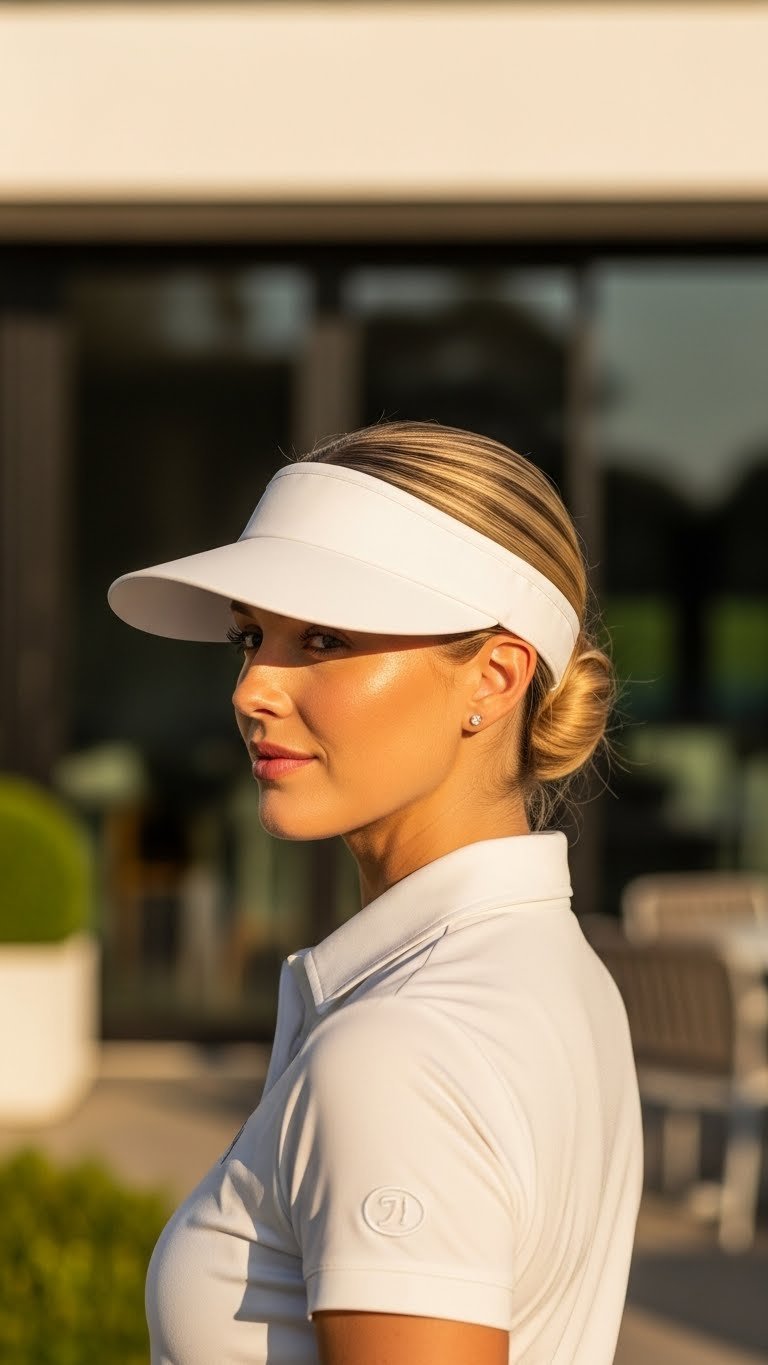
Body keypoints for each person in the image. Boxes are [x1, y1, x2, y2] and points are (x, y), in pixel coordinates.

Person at [108, 418, 643, 1365]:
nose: (251, 688)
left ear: (496, 674)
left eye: (322, 635)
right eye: (250, 636)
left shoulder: (400, 1050)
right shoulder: (552, 976)